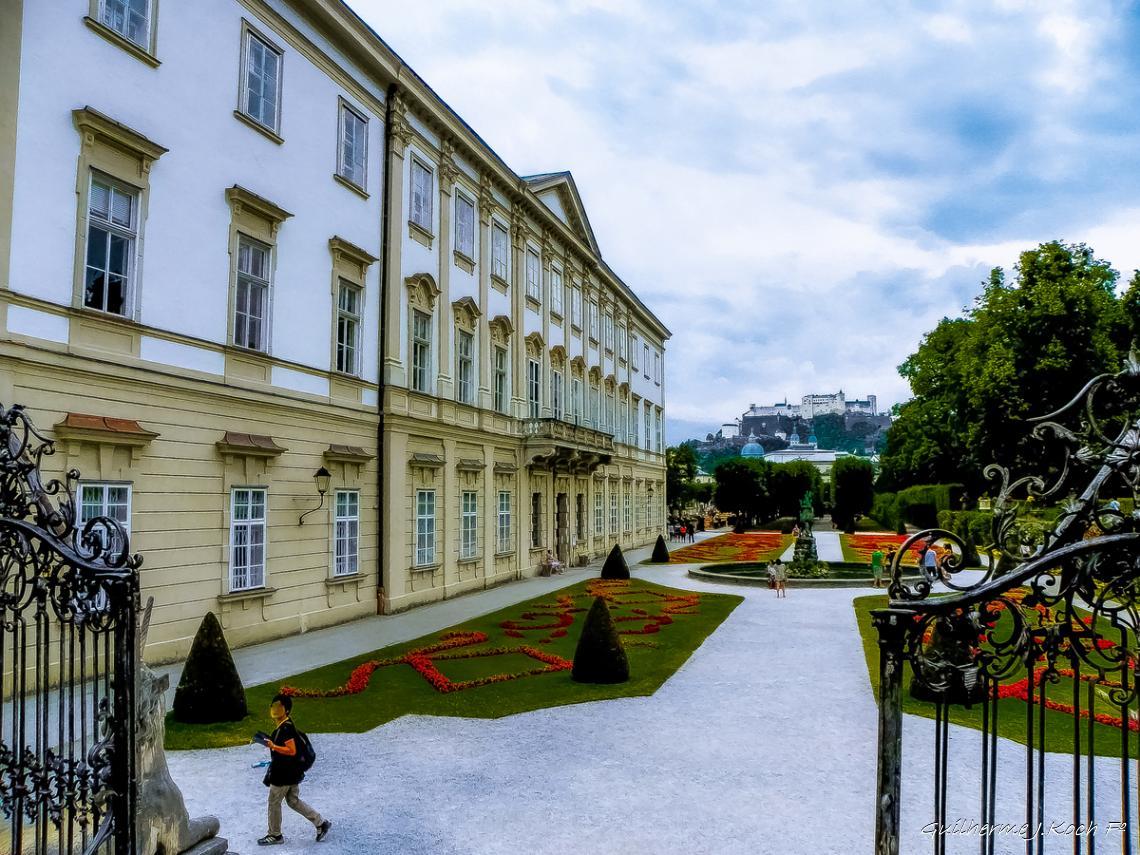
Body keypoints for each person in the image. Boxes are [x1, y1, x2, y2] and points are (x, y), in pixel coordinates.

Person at [256, 694, 331, 846]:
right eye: (273, 706)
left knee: (274, 802)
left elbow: (291, 750)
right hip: (291, 772)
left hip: (283, 774)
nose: (275, 709)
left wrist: (273, 746)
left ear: (286, 710)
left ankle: (275, 835)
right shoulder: (284, 726)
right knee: (293, 801)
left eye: (279, 706)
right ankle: (320, 823)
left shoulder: (286, 728)